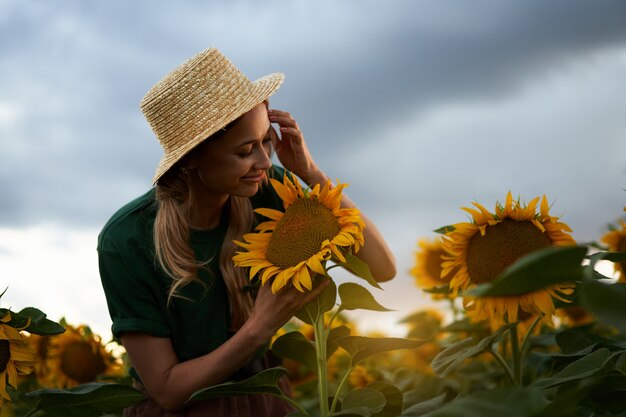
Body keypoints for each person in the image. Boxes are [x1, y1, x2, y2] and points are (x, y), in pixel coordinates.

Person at [97, 47, 396, 416]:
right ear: (191, 158)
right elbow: (168, 391)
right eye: (245, 151)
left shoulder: (269, 189)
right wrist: (260, 326)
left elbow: (382, 268)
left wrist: (313, 175)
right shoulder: (126, 239)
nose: (263, 162)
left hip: (267, 398)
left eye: (266, 142)